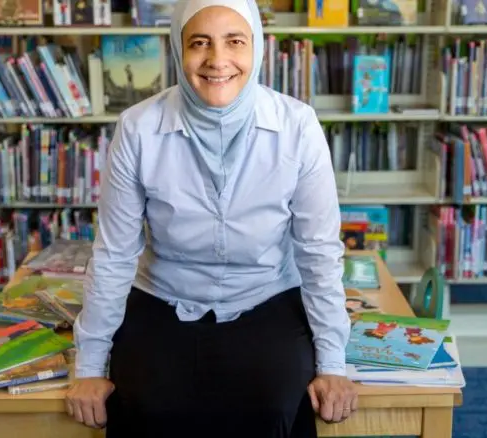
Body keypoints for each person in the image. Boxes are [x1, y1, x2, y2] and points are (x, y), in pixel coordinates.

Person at [66, 0, 357, 436]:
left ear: (256, 48)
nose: (217, 60)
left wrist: (334, 363)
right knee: (142, 403)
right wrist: (88, 365)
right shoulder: (138, 129)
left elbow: (318, 253)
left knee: (275, 405)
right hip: (164, 297)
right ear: (177, 50)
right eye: (199, 43)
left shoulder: (298, 126)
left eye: (234, 42)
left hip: (267, 296)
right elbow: (114, 255)